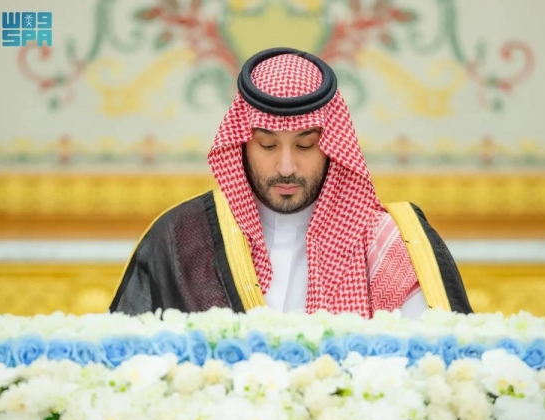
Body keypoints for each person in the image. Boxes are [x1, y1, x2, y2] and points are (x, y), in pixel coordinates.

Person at [109, 47, 472, 318]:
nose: (285, 166)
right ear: (242, 144)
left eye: (305, 144)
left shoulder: (389, 244)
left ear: (332, 145)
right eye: (267, 145)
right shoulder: (182, 237)